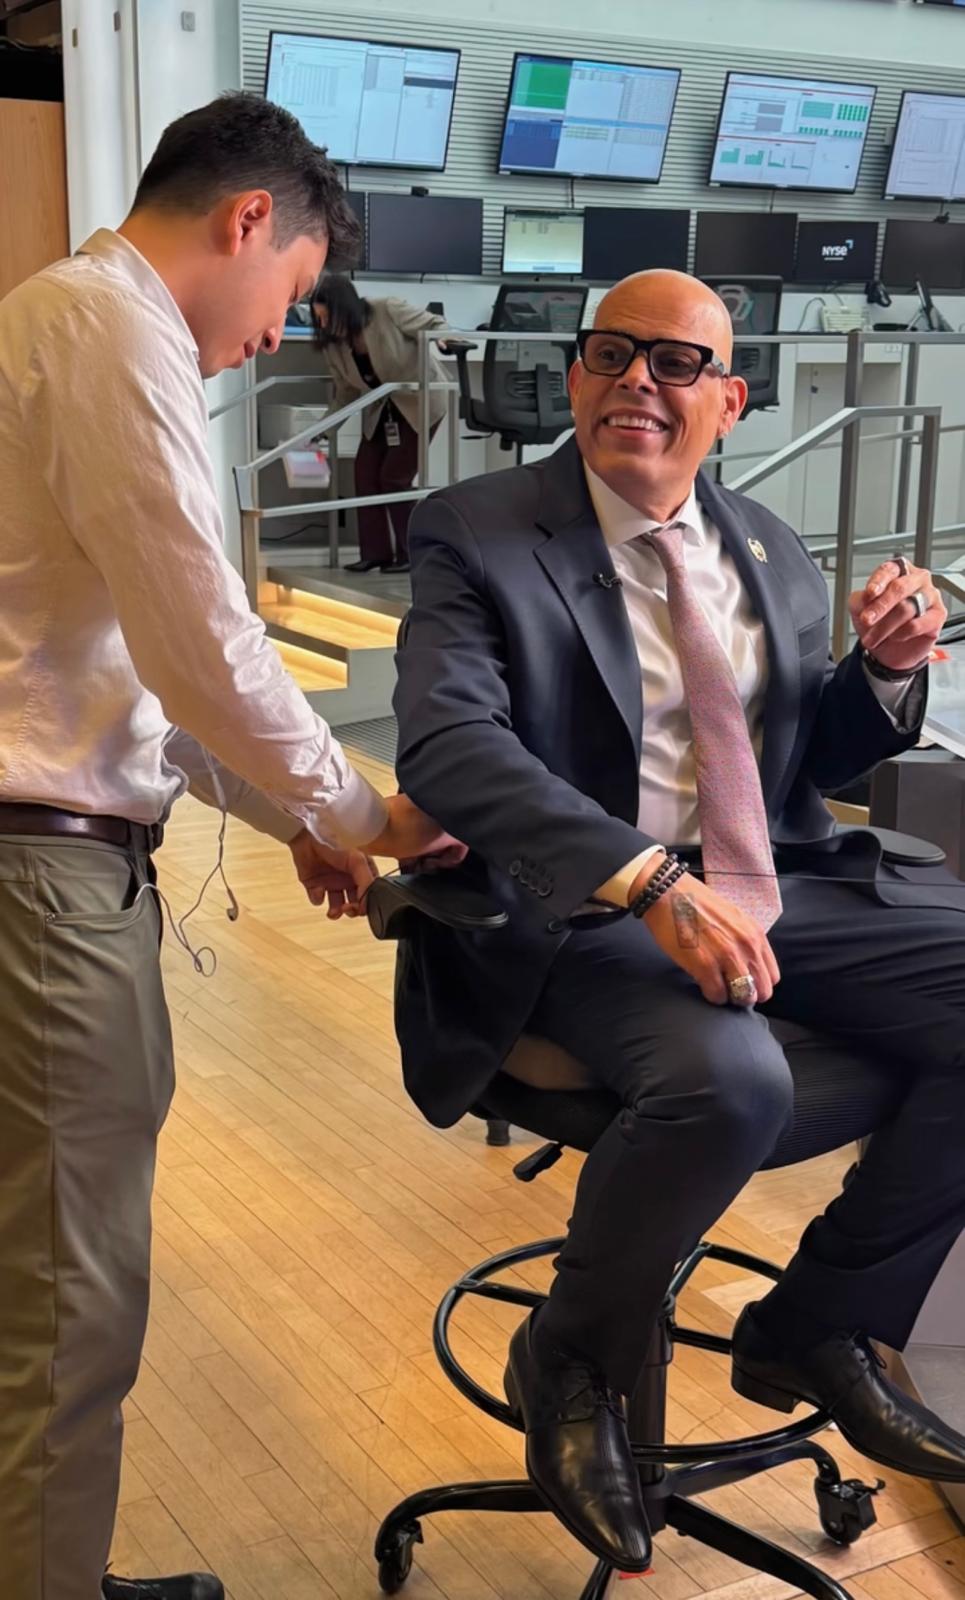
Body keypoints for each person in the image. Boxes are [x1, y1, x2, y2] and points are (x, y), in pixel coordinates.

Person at [393, 268, 965, 1572]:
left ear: (729, 400)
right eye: (610, 355)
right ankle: (570, 1358)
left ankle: (816, 1322)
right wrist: (646, 880)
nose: (636, 382)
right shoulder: (478, 530)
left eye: (674, 361)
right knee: (732, 1082)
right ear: (575, 378)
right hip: (584, 906)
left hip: (776, 881)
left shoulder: (763, 542)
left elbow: (796, 762)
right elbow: (449, 746)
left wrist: (883, 671)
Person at [0, 93, 463, 1600]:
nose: (274, 337)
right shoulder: (104, 324)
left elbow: (136, 680)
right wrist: (364, 811)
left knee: (42, 1275)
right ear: (249, 219)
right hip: (41, 880)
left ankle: (49, 1563)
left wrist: (297, 814)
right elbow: (203, 647)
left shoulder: (64, 322)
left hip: (54, 855)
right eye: (292, 292)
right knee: (71, 1302)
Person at [311, 275, 450, 574]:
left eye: (327, 317)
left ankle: (411, 555)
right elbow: (346, 393)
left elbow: (434, 324)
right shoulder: (333, 346)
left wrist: (443, 339)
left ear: (344, 308)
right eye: (318, 319)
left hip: (419, 401)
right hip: (381, 409)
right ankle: (376, 554)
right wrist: (320, 431)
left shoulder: (386, 309)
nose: (323, 325)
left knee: (394, 478)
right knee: (364, 474)